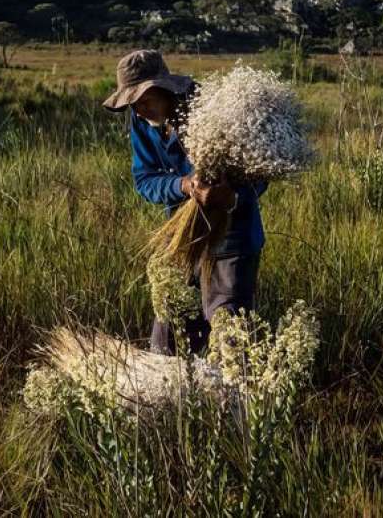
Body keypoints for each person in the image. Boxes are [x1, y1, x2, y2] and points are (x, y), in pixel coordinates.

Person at [103, 49, 267, 355]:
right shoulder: (142, 122)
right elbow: (145, 180)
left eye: (144, 100)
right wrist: (184, 185)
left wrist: (230, 196)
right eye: (132, 104)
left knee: (229, 334)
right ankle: (177, 399)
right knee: (170, 328)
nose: (138, 110)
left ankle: (233, 401)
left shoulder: (213, 110)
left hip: (233, 239)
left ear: (164, 89)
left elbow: (259, 173)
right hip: (184, 237)